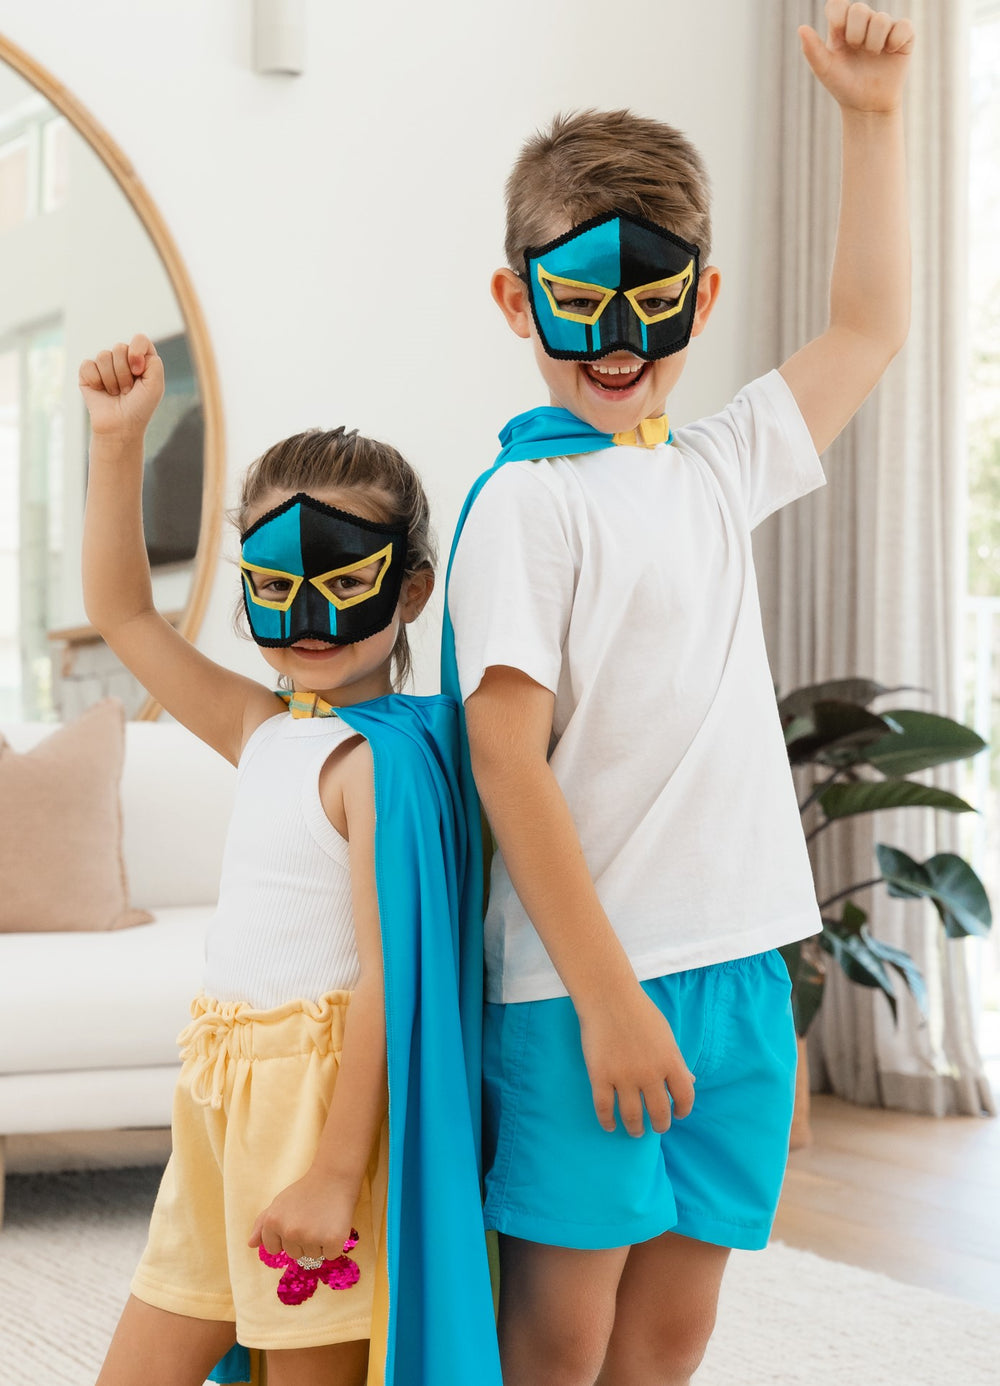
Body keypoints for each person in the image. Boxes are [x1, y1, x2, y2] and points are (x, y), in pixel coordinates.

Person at [442, 4, 914, 1383]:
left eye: (652, 302)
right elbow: (506, 758)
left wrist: (872, 119)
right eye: (578, 299)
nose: (615, 338)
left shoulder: (716, 464)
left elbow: (873, 325)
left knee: (671, 1334)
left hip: (737, 972)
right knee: (565, 1332)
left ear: (700, 298)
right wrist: (605, 998)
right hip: (585, 985)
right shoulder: (525, 507)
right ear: (515, 297)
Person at [80, 335, 501, 1386]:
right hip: (220, 1081)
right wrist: (117, 443)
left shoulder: (379, 763)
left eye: (343, 581)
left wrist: (330, 1170)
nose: (307, 619)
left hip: (320, 1104)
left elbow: (385, 984)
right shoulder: (262, 725)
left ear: (409, 591)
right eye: (275, 584)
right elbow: (125, 614)